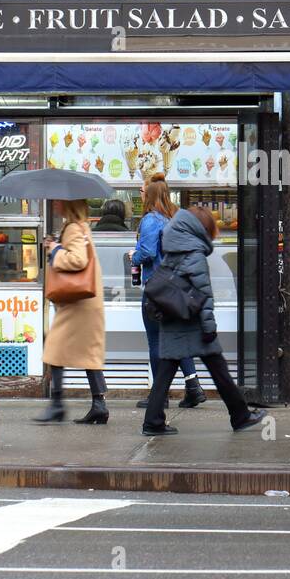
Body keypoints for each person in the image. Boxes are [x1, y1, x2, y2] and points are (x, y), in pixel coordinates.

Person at [141, 206, 264, 436]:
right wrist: (210, 328)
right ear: (203, 228)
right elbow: (203, 293)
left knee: (165, 374)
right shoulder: (194, 252)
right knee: (220, 371)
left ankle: (153, 422)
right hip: (194, 323)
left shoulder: (174, 245)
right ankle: (240, 416)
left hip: (174, 318)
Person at [130, 175, 205, 410]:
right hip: (177, 286)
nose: (140, 196)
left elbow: (148, 252)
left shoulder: (151, 220)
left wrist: (134, 256)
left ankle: (160, 396)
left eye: (142, 192)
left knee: (156, 341)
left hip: (156, 287)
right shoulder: (175, 218)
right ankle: (193, 388)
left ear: (149, 195)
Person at [34, 199, 108, 425]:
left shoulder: (74, 228)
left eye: (58, 202)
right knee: (89, 353)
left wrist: (55, 249)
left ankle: (57, 405)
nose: (55, 205)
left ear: (68, 204)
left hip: (77, 304)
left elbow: (77, 260)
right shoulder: (81, 226)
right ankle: (99, 405)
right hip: (85, 302)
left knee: (54, 349)